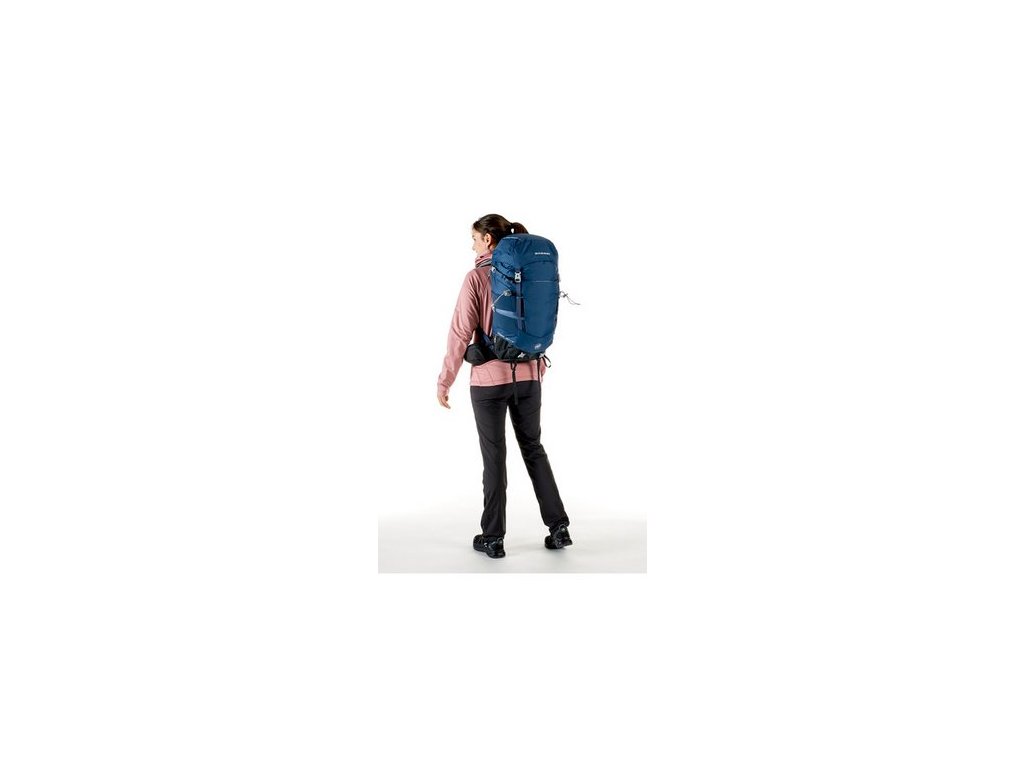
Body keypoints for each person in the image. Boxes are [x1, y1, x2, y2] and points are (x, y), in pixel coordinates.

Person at [437, 214, 572, 559]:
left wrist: (445, 379)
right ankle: (559, 528)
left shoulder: (476, 278)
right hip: (530, 377)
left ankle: (493, 537)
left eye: (474, 238)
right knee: (534, 449)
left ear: (488, 240)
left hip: (489, 382)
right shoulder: (526, 273)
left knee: (494, 457)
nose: (472, 245)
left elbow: (460, 332)